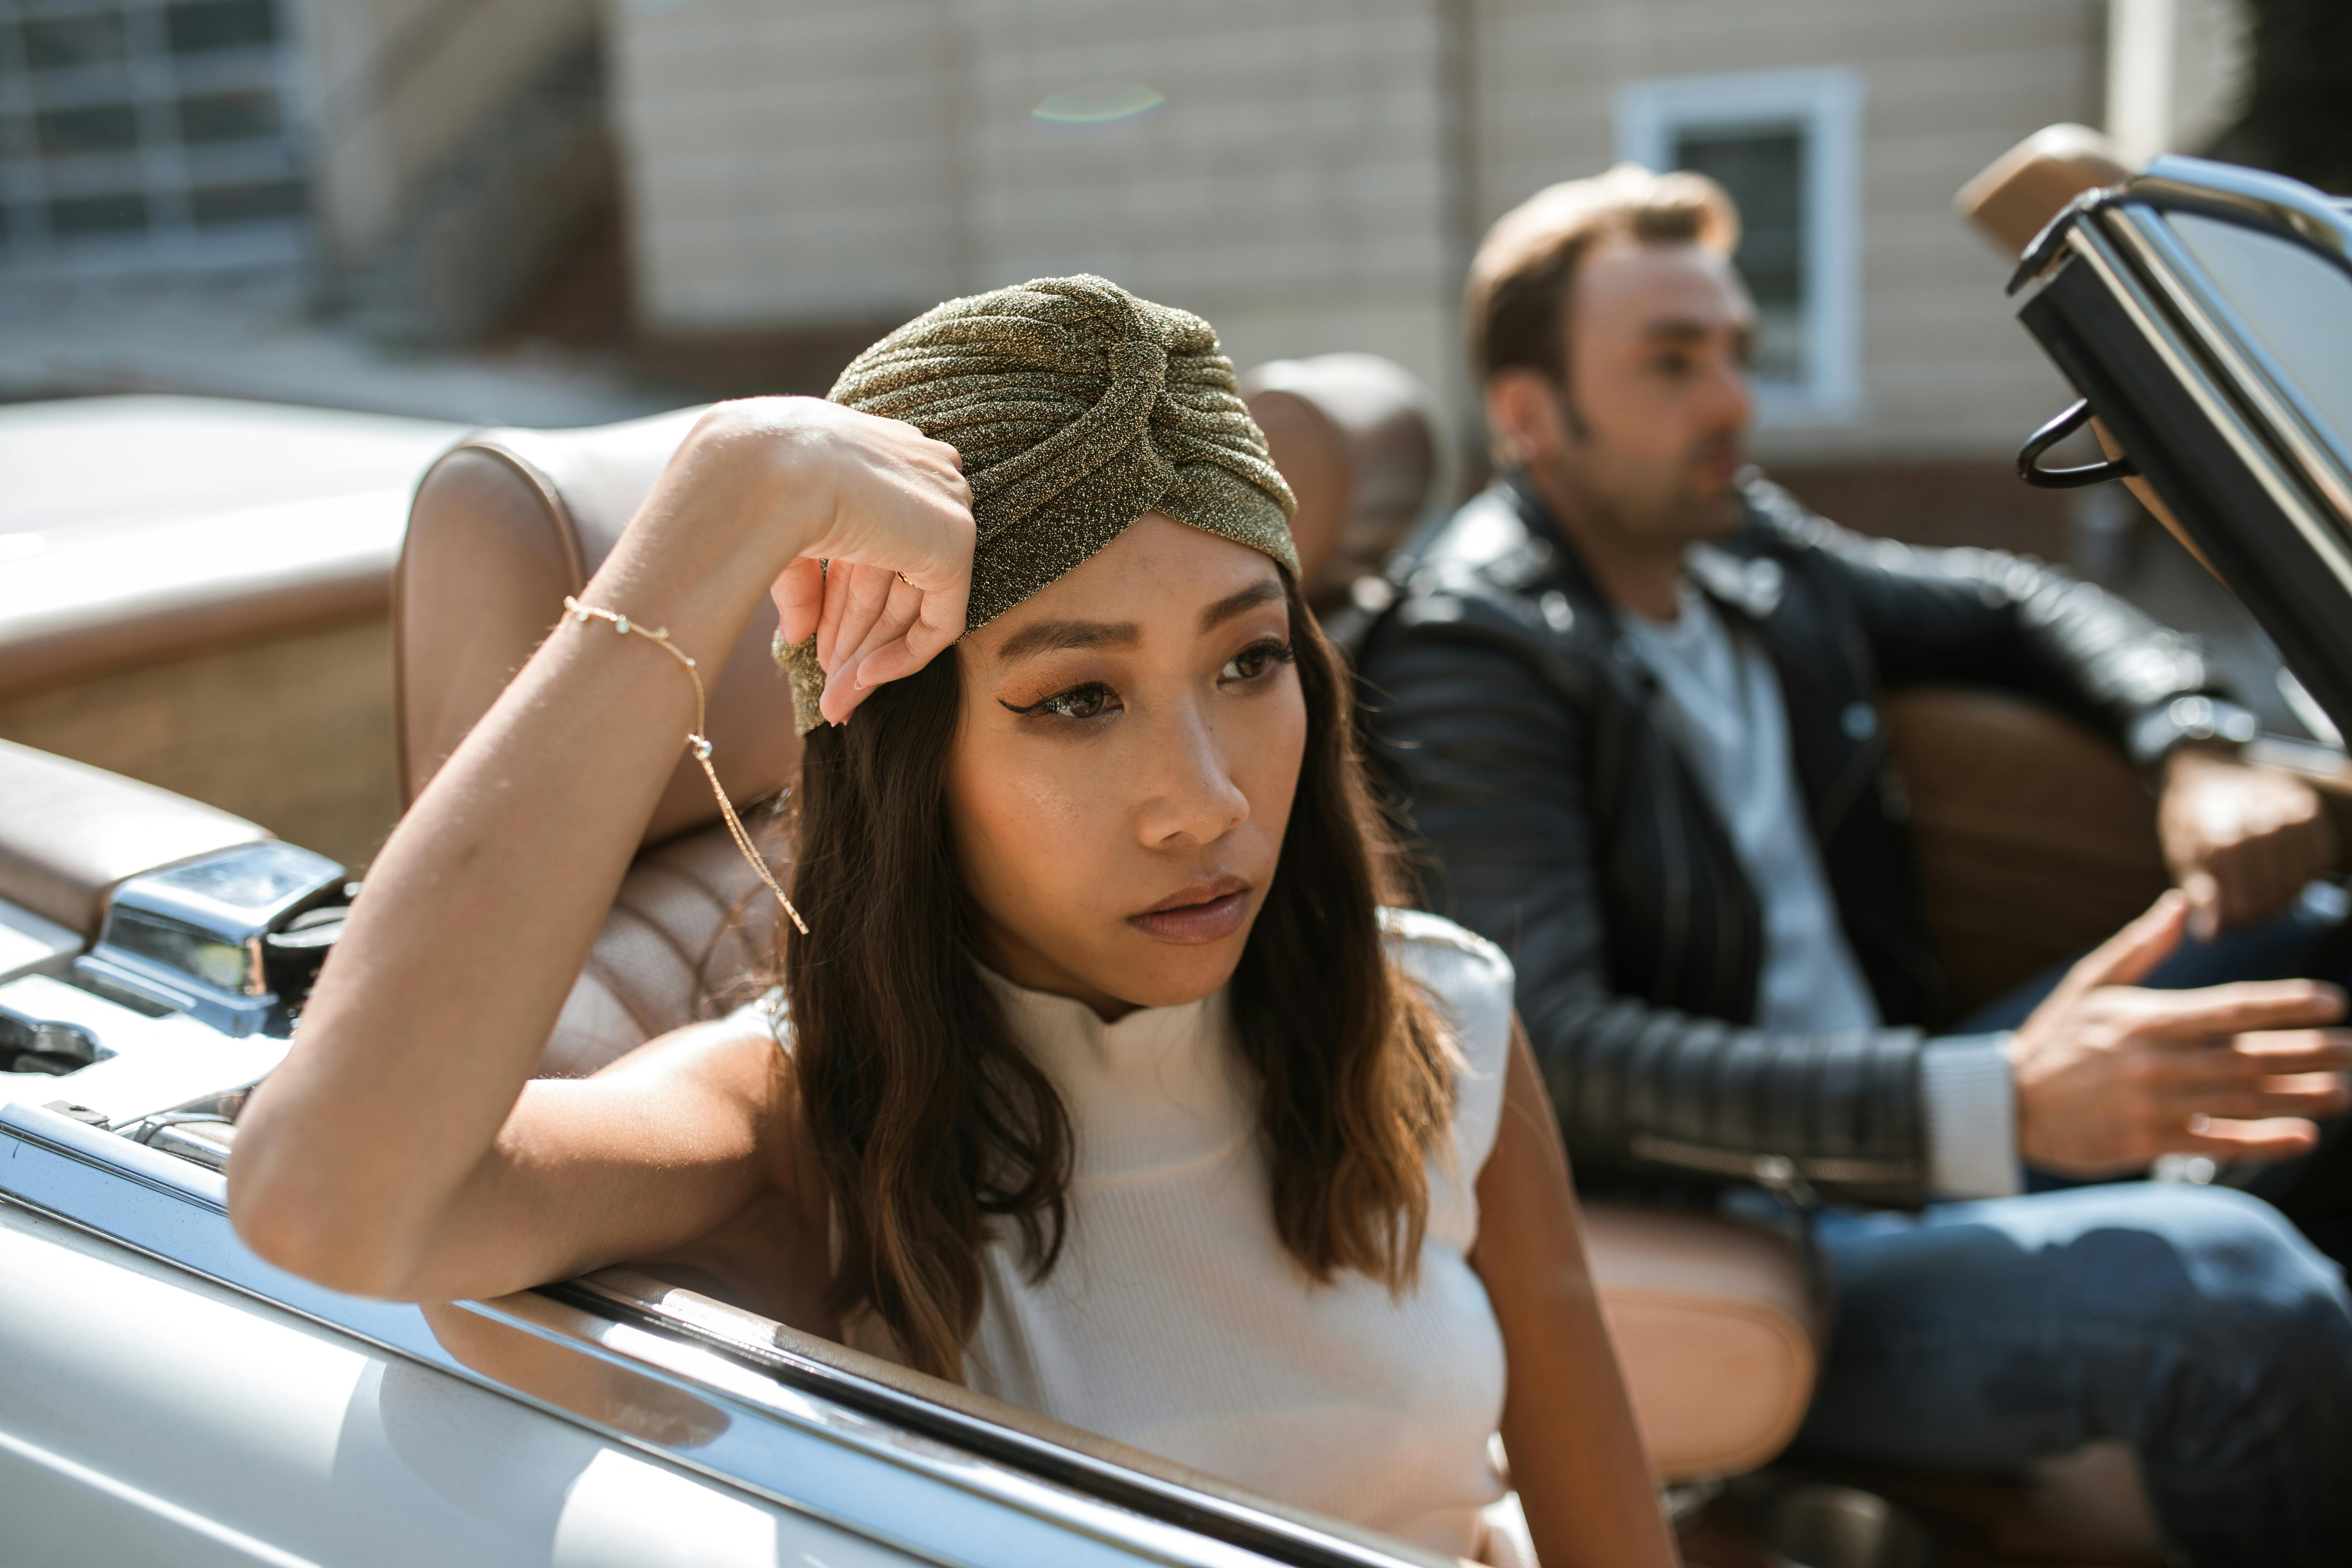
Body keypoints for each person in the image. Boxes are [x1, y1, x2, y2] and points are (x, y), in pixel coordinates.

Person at [226, 276, 1680, 1568]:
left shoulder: (1437, 1017)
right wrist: (726, 505)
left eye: (1248, 661)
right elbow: (330, 1201)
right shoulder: (800, 1123)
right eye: (1077, 698)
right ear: (905, 761)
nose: (1208, 800)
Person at [1354, 166, 2352, 1567]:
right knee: (2254, 1305)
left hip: (1908, 1114)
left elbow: (2018, 604)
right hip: (1766, 1222)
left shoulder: (1739, 552)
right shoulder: (1478, 648)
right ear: (1531, 417)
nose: (1730, 402)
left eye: (1736, 355)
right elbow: (1552, 1052)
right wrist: (1992, 1101)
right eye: (1671, 362)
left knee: (2321, 942)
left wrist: (2195, 743)